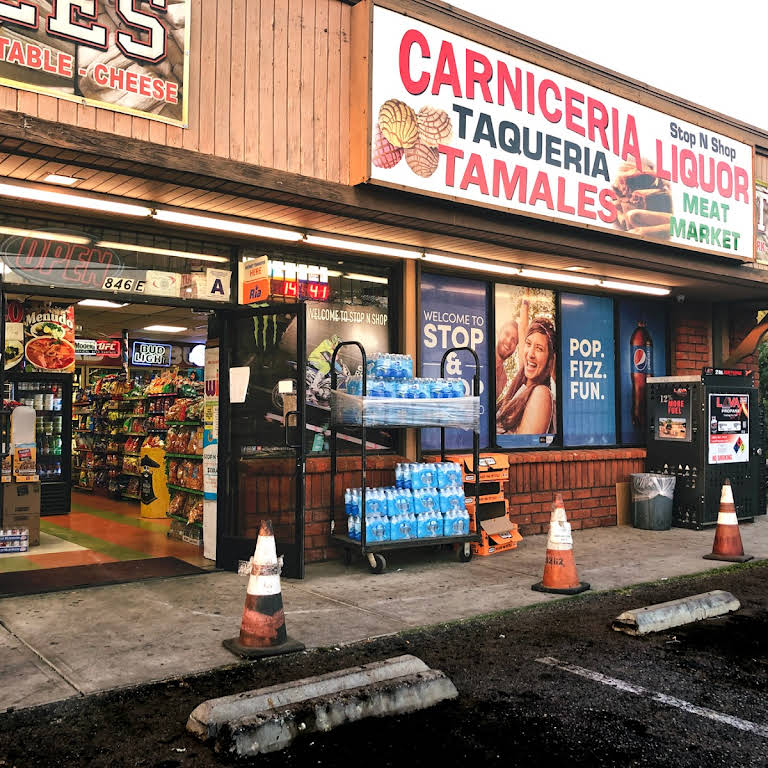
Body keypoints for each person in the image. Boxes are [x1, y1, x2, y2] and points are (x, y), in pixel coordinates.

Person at [497, 314, 555, 435]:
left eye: (539, 348)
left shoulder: (541, 394)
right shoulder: (519, 389)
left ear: (549, 359)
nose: (530, 354)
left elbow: (524, 445)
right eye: (528, 344)